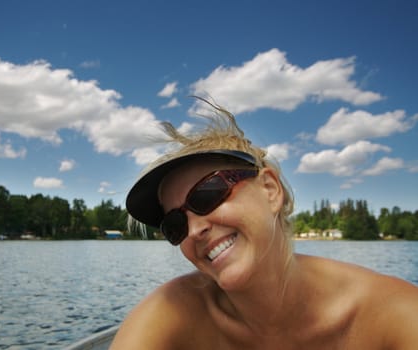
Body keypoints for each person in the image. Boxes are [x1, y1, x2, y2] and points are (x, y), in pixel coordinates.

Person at [110, 99, 418, 349]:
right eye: (175, 224)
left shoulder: (391, 314)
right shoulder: (171, 313)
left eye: (208, 194)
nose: (194, 230)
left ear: (270, 190)